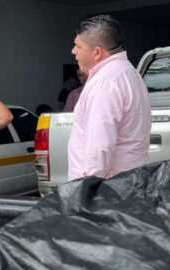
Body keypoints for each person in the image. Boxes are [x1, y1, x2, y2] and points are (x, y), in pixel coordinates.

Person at [67, 15, 151, 181]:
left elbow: (99, 149)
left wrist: (84, 192)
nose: (73, 51)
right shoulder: (129, 73)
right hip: (128, 184)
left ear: (97, 52)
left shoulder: (105, 82)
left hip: (104, 192)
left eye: (78, 46)